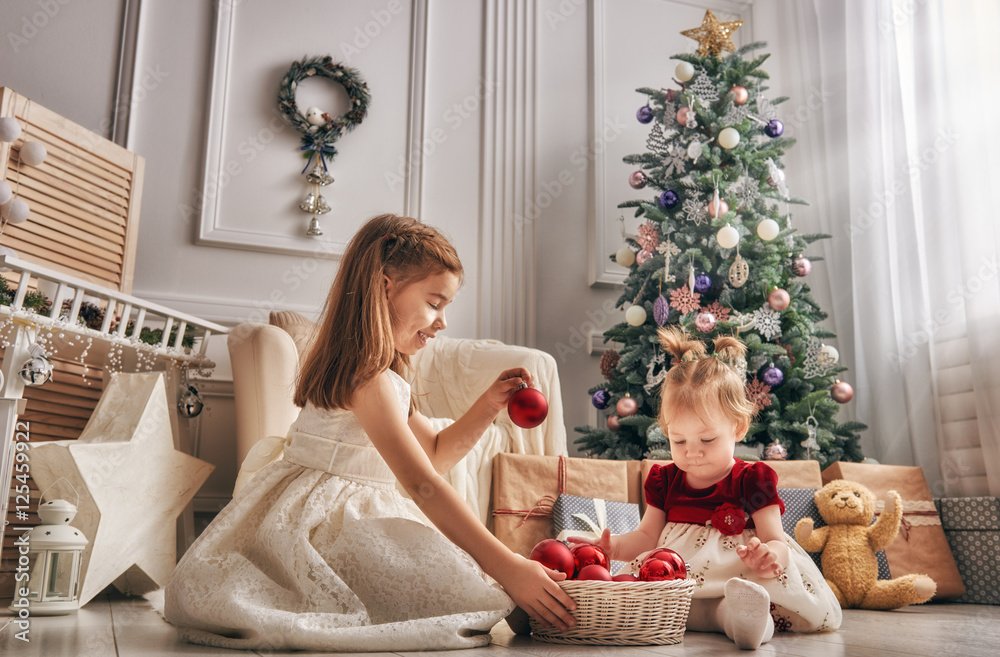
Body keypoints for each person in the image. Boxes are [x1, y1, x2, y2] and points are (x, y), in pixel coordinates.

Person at [164, 214, 576, 651]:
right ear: (384, 287)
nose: (442, 321)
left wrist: (487, 407)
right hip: (328, 524)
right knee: (475, 598)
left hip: (347, 515)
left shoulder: (385, 375)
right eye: (435, 303)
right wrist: (507, 566)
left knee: (477, 596)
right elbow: (423, 484)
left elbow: (433, 455)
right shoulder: (369, 378)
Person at [569, 326, 842, 650]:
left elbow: (774, 539)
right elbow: (646, 538)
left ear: (738, 428)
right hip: (675, 582)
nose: (691, 452)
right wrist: (612, 548)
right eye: (678, 440)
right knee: (655, 605)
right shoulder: (664, 479)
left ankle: (749, 621)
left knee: (735, 603)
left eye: (707, 439)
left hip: (738, 576)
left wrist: (770, 557)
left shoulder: (753, 479)